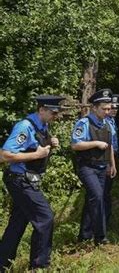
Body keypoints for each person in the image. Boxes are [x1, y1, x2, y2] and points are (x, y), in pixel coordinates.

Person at [0, 95, 65, 271]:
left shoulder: (43, 125)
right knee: (45, 218)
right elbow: (4, 155)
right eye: (53, 112)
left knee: (18, 223)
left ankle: (2, 264)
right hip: (20, 180)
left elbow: (35, 144)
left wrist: (51, 142)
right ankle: (39, 266)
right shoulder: (25, 126)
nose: (56, 116)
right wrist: (36, 155)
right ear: (42, 110)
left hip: (28, 180)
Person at [71, 89, 116, 244]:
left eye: (109, 108)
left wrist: (111, 164)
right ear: (94, 108)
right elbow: (76, 145)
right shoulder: (83, 123)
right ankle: (101, 237)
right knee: (97, 196)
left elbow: (110, 146)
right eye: (104, 108)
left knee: (95, 199)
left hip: (103, 167)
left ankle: (84, 235)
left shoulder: (108, 124)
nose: (107, 111)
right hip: (87, 167)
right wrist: (95, 143)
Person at [104, 94, 119, 227]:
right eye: (112, 107)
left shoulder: (112, 121)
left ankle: (106, 219)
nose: (114, 110)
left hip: (112, 157)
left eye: (116, 108)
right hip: (106, 161)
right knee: (104, 192)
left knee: (107, 191)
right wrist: (109, 164)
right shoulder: (105, 122)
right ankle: (104, 220)